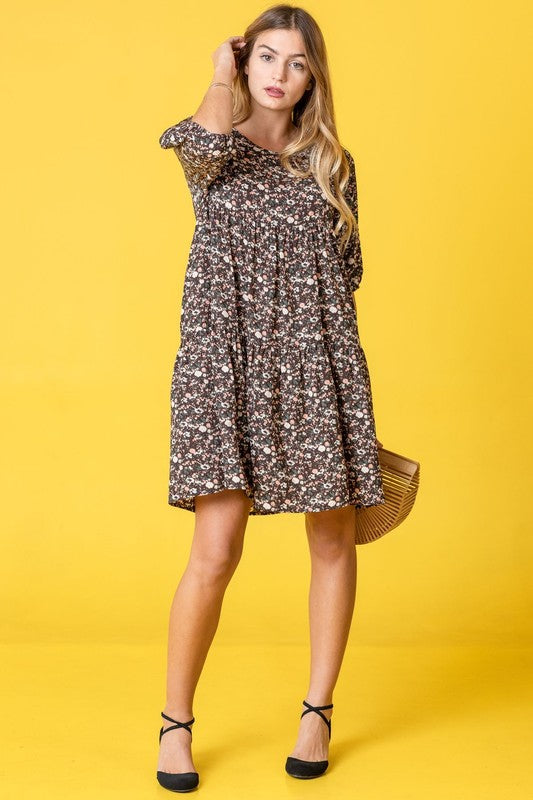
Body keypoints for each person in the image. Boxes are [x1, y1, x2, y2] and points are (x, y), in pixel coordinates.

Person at [156, 4, 385, 792]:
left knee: (331, 542)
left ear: (312, 76)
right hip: (224, 370)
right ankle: (175, 725)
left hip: (318, 367)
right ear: (244, 63)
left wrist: (324, 366)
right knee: (215, 552)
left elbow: (346, 273)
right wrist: (220, 72)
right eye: (266, 59)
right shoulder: (212, 149)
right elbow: (201, 141)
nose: (280, 76)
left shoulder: (332, 164)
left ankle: (316, 713)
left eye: (297, 64)